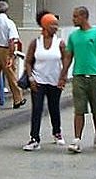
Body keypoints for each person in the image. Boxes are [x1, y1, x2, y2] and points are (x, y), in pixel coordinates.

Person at [58, 6, 96, 154]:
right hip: (78, 76)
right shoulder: (73, 36)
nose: (73, 19)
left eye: (75, 17)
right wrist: (63, 75)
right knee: (79, 109)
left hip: (95, 76)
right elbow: (68, 56)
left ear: (83, 17)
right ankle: (77, 140)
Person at [22, 11, 66, 151]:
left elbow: (66, 60)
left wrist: (63, 77)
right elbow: (28, 61)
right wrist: (31, 78)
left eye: (56, 25)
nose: (56, 28)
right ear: (45, 26)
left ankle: (57, 132)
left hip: (55, 81)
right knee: (37, 109)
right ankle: (34, 138)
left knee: (54, 107)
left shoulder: (60, 43)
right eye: (53, 25)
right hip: (38, 80)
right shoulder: (36, 43)